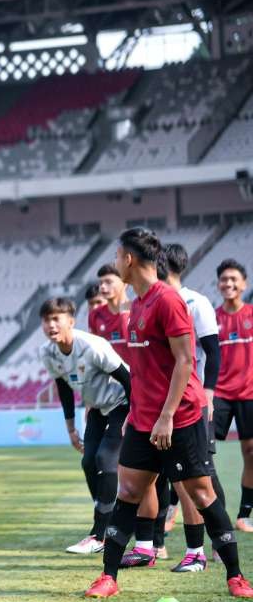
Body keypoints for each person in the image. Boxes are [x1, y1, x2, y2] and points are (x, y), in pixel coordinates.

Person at [84, 228, 252, 599]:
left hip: (182, 417)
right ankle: (108, 577)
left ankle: (236, 577)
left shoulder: (167, 300)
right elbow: (144, 369)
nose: (114, 264)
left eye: (117, 257)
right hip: (145, 418)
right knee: (128, 490)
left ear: (128, 259)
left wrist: (167, 415)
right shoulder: (137, 306)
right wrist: (137, 411)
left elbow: (185, 361)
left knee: (201, 493)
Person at [121, 244, 223, 573]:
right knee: (146, 481)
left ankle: (200, 550)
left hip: (185, 407)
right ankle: (149, 546)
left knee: (190, 482)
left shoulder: (192, 302)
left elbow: (206, 354)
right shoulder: (143, 303)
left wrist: (207, 395)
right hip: (151, 410)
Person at [38, 297, 131, 555]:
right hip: (97, 410)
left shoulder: (92, 346)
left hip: (123, 404)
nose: (51, 325)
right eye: (46, 320)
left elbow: (127, 378)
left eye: (56, 319)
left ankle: (99, 535)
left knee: (105, 459)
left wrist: (135, 415)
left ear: (71, 321)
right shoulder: (47, 352)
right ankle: (107, 516)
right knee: (88, 462)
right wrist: (70, 428)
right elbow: (64, 390)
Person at [213, 258, 253, 532]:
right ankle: (184, 509)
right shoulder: (212, 317)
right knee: (201, 452)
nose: (228, 283)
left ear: (243, 284)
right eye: (224, 279)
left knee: (251, 453)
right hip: (218, 395)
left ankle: (244, 515)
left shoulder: (251, 314)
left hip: (249, 394)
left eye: (233, 279)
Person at [88, 265, 132, 363]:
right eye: (101, 283)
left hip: (137, 374)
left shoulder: (138, 310)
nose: (102, 286)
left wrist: (124, 314)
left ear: (125, 283)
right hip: (109, 375)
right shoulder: (94, 315)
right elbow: (94, 350)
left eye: (108, 282)